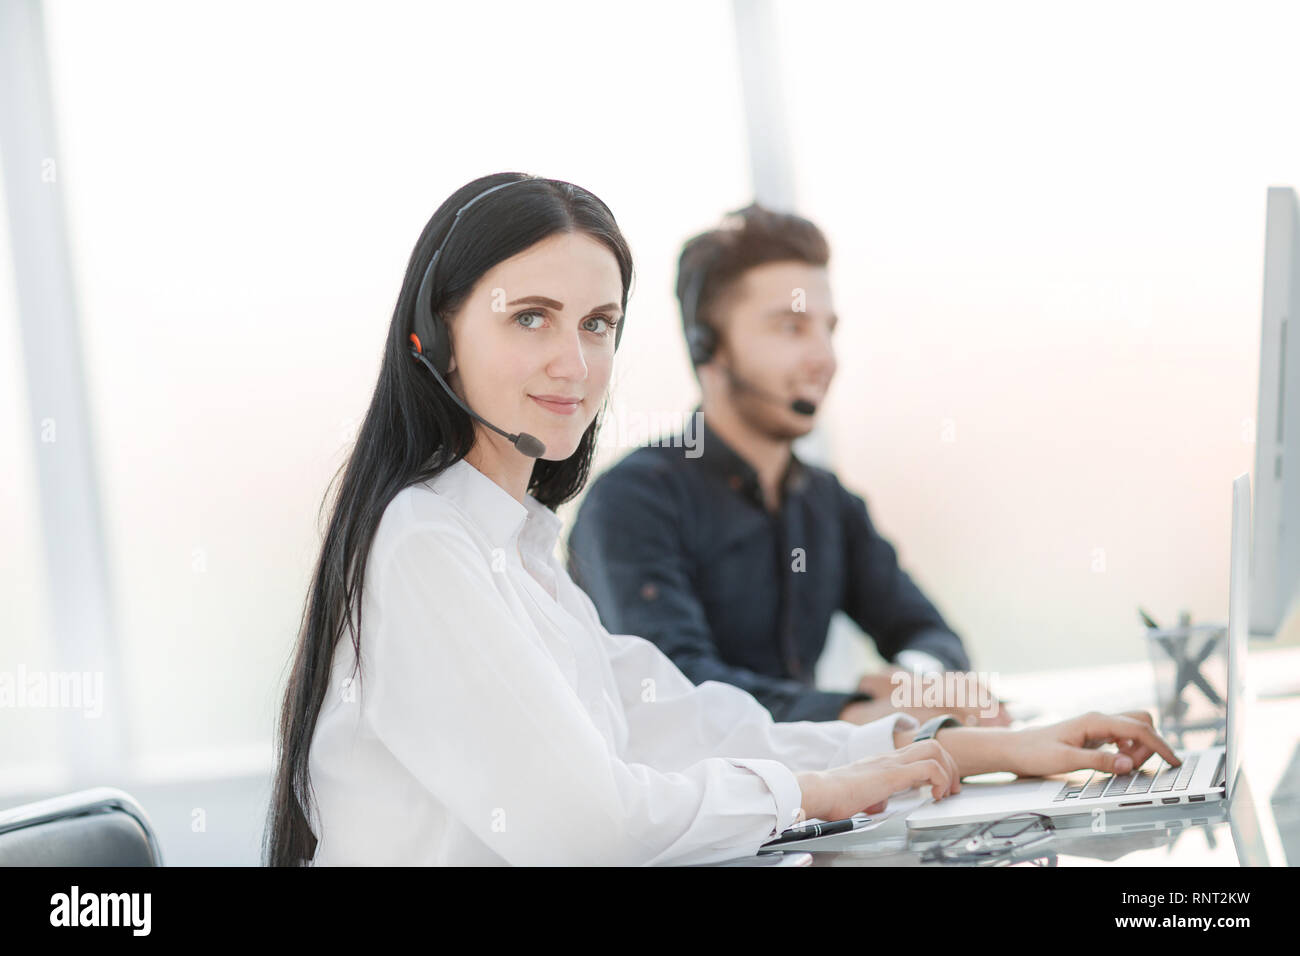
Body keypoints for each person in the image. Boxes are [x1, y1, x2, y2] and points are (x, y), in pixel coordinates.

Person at [265, 173, 1179, 867]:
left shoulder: (522, 551)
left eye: (597, 324)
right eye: (531, 318)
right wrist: (823, 787)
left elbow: (687, 724)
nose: (575, 363)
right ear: (434, 332)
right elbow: (588, 825)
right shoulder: (430, 544)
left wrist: (959, 741)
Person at [567, 203, 1005, 727]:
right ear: (709, 347)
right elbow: (681, 692)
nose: (825, 358)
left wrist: (917, 680)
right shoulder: (632, 503)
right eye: (792, 329)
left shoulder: (826, 501)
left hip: (810, 794)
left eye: (828, 330)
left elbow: (928, 632)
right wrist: (858, 714)